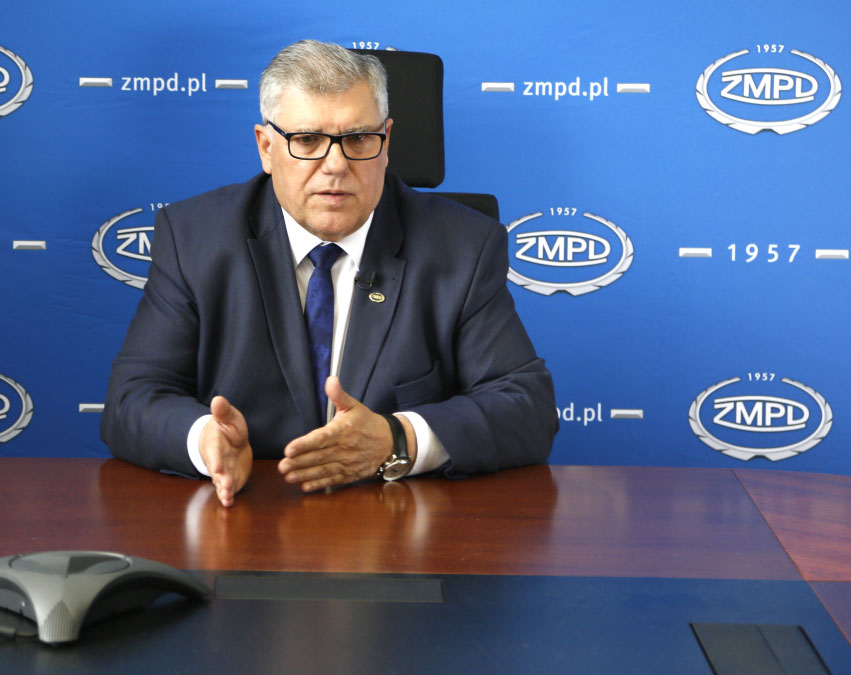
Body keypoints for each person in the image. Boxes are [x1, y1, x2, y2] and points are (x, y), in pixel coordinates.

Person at [102, 40, 557, 507]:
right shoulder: (194, 238)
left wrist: (397, 438)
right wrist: (204, 440)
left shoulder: (463, 247)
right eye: (307, 140)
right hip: (250, 512)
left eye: (358, 139)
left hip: (397, 523)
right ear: (266, 147)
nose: (336, 165)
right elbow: (131, 399)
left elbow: (527, 406)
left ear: (386, 143)